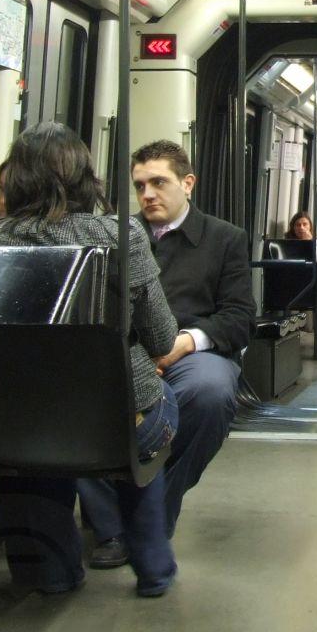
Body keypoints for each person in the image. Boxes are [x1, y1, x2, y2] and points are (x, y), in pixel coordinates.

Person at [0, 123, 182, 596]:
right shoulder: (121, 235)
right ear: (86, 177)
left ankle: (50, 572)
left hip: (22, 422)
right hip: (116, 419)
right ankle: (153, 565)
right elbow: (162, 337)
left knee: (37, 438)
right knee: (154, 406)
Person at [82, 140, 254, 567]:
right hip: (129, 350)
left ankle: (152, 516)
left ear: (187, 183)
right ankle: (111, 528)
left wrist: (186, 342)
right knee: (77, 392)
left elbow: (239, 317)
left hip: (191, 349)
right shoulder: (116, 234)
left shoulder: (225, 239)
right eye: (140, 186)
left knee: (210, 392)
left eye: (159, 183)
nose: (147, 195)